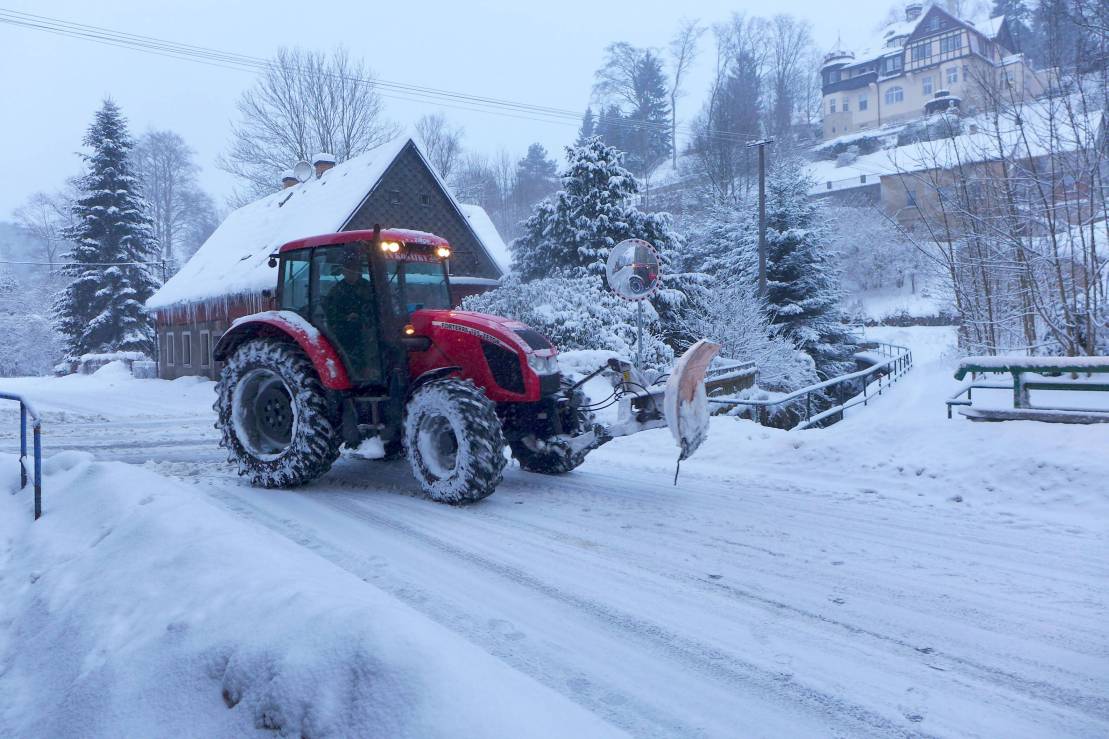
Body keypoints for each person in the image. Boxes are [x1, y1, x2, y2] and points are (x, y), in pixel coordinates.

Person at [323, 250, 376, 378]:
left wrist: (365, 317)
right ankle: (356, 373)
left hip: (369, 327)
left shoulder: (368, 287)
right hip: (345, 331)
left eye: (354, 270)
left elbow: (376, 306)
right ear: (344, 272)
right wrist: (346, 317)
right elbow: (330, 312)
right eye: (349, 270)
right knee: (355, 348)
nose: (352, 273)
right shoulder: (337, 291)